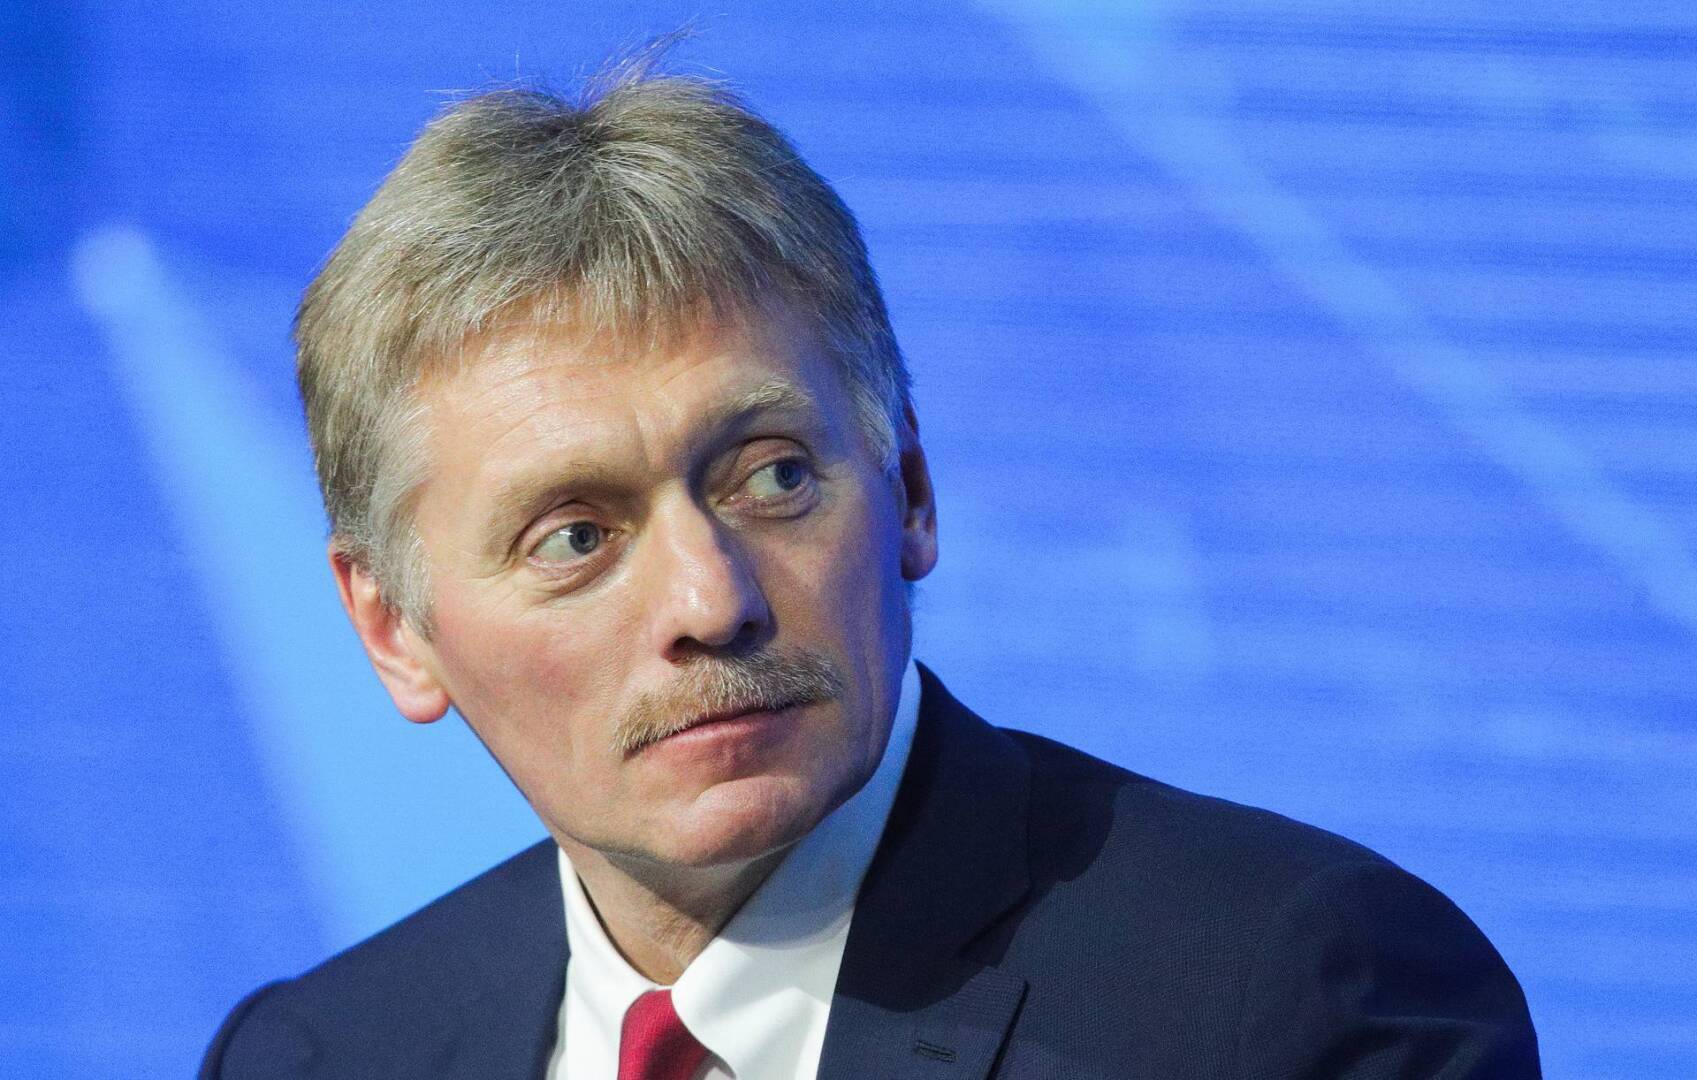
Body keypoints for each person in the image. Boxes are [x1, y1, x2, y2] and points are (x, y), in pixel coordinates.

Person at [200, 59, 1541, 1080]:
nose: (711, 602)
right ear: (394, 629)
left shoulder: (1286, 1001)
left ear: (908, 490)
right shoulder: (316, 1056)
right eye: (576, 538)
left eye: (772, 476)